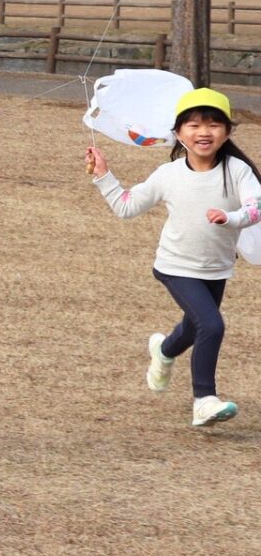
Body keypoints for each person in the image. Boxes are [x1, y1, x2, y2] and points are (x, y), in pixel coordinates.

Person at [86, 86, 261, 428]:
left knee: (194, 328)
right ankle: (204, 400)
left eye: (213, 124)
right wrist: (103, 175)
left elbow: (256, 207)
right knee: (211, 325)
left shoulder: (237, 171)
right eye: (194, 125)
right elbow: (126, 206)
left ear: (227, 132)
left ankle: (163, 352)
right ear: (179, 133)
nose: (204, 132)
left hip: (216, 268)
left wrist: (233, 218)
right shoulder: (168, 175)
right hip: (175, 267)